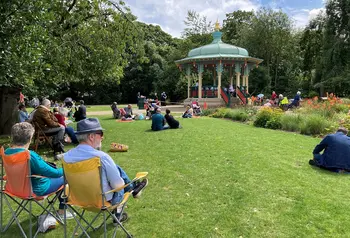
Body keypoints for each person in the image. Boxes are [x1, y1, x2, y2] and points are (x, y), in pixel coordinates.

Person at [63, 118, 148, 223]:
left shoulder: (66, 157)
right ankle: (130, 191)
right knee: (119, 183)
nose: (102, 138)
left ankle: (132, 189)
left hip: (79, 201)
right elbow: (118, 185)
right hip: (103, 202)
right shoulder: (101, 157)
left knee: (114, 168)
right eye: (101, 134)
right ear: (91, 136)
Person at [4, 122, 74, 219]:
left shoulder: (7, 152)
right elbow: (55, 174)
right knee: (66, 177)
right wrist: (69, 168)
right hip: (35, 190)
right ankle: (62, 211)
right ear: (30, 138)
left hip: (14, 188)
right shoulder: (29, 155)